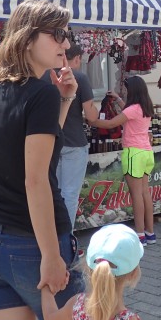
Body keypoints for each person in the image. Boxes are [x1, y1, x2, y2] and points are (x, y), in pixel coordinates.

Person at [0, 0, 85, 320]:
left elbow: (30, 144)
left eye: (65, 35)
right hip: (33, 249)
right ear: (26, 38)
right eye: (56, 34)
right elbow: (35, 179)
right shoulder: (41, 93)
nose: (65, 44)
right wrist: (52, 258)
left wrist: (66, 101)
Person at [89, 76, 156, 246]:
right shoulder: (145, 106)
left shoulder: (132, 109)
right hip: (147, 152)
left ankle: (139, 235)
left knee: (136, 196)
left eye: (126, 89)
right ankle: (150, 233)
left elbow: (111, 124)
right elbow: (128, 111)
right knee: (145, 193)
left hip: (133, 153)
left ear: (132, 90)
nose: (124, 91)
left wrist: (91, 120)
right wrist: (118, 99)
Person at [45, 44, 98, 227]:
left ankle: (53, 236)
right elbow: (91, 116)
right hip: (74, 142)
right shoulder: (80, 78)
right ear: (75, 58)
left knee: (54, 192)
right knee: (70, 194)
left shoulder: (45, 75)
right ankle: (66, 238)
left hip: (51, 141)